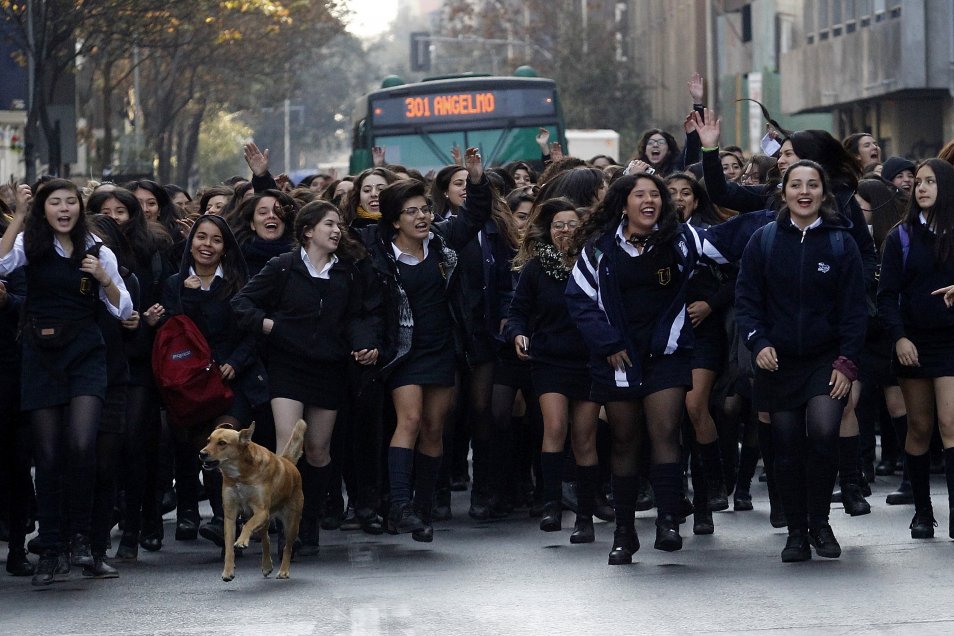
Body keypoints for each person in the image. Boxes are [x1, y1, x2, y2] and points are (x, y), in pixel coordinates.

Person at [565, 172, 742, 564]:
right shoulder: (599, 248)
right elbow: (579, 299)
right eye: (639, 194)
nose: (650, 201)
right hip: (618, 359)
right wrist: (607, 343)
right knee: (626, 441)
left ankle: (668, 521)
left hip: (667, 354)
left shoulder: (682, 239)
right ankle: (625, 533)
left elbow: (732, 240)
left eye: (655, 195)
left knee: (665, 433)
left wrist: (782, 209)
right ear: (623, 203)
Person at [353, 148, 491, 542]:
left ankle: (423, 509)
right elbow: (363, 306)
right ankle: (399, 503)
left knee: (434, 429)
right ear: (395, 220)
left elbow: (475, 215)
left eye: (425, 209)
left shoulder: (443, 241)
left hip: (442, 347)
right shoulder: (376, 252)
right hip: (402, 350)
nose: (422, 217)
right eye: (412, 212)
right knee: (409, 420)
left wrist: (476, 179)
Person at [0, 180, 133, 585]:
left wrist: (103, 279)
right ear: (43, 209)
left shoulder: (97, 248)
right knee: (49, 454)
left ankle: (85, 542)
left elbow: (124, 307)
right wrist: (18, 217)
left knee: (81, 444)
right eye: (54, 202)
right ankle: (51, 547)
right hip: (41, 355)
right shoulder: (30, 244)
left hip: (86, 355)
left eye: (70, 202)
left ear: (80, 207)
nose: (63, 209)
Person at [232, 200, 383, 553]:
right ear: (308, 231)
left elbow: (357, 317)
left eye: (339, 226)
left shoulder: (346, 272)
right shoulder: (283, 267)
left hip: (328, 370)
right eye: (329, 224)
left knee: (317, 451)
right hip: (288, 368)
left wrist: (366, 345)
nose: (336, 231)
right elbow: (242, 304)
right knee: (289, 448)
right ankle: (287, 525)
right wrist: (269, 325)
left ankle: (309, 518)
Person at [735, 160, 867, 562]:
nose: (804, 192)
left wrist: (847, 362)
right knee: (787, 446)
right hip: (777, 362)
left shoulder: (841, 242)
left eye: (813, 184)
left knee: (825, 433)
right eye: (796, 185)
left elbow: (855, 310)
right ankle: (796, 531)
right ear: (785, 192)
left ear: (824, 193)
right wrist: (758, 343)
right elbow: (747, 302)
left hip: (826, 360)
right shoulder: (764, 240)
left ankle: (820, 522)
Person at [143, 214, 268, 549]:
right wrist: (185, 299)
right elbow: (176, 336)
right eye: (201, 237)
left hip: (234, 379)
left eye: (216, 239)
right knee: (208, 451)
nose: (207, 245)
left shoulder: (241, 281)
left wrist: (235, 363)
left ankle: (222, 519)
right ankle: (225, 514)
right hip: (194, 385)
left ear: (225, 247)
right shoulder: (174, 284)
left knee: (224, 440)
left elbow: (252, 332)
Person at [86, 188, 174, 559]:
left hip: (138, 361)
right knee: (102, 453)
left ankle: (138, 527)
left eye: (120, 211)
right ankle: (98, 529)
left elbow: (152, 303)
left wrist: (145, 321)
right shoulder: (80, 262)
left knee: (138, 445)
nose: (113, 218)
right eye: (104, 212)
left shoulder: (146, 256)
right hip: (95, 365)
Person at [506, 197, 600, 543]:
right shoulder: (536, 268)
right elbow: (518, 309)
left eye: (571, 224)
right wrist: (518, 334)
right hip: (549, 360)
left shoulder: (596, 264)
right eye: (558, 225)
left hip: (590, 361)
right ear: (549, 231)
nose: (564, 231)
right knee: (555, 426)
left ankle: (586, 516)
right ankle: (551, 504)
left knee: (585, 439)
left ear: (582, 229)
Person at [878, 159, 954, 540]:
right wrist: (899, 338)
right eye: (918, 182)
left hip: (951, 342)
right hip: (913, 343)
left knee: (950, 422)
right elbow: (886, 296)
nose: (921, 187)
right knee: (920, 427)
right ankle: (923, 512)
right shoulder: (900, 237)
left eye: (930, 181)